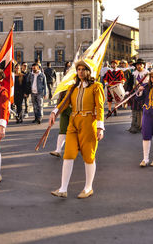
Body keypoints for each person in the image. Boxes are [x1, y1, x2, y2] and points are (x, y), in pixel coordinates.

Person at [48, 59, 105, 199]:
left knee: (89, 156)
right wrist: (54, 112)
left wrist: (100, 127)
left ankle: (88, 187)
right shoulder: (72, 88)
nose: (80, 72)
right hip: (73, 122)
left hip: (89, 122)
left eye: (83, 69)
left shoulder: (96, 87)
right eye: (78, 69)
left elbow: (100, 107)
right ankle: (63, 188)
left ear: (88, 72)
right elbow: (64, 102)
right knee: (68, 155)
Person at [127, 58, 149, 133]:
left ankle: (144, 126)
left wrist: (144, 88)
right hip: (134, 94)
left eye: (140, 64)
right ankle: (134, 126)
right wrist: (127, 91)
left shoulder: (148, 74)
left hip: (145, 94)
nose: (139, 66)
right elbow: (129, 84)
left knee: (144, 110)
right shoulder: (133, 74)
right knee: (135, 110)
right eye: (137, 65)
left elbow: (150, 84)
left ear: (143, 65)